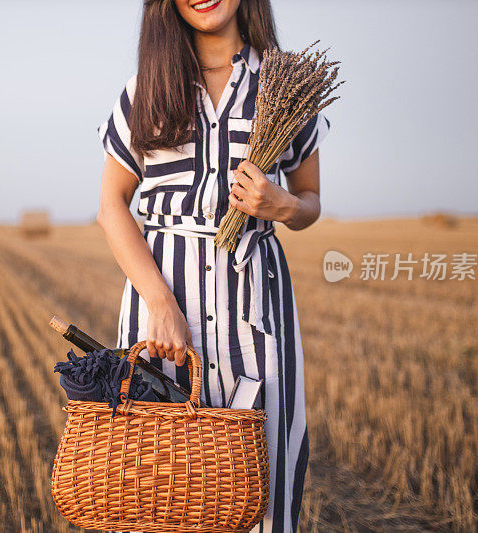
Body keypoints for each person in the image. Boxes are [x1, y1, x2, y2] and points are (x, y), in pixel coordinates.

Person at [95, 0, 330, 531]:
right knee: (156, 488)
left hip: (257, 312)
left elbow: (310, 198)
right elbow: (113, 205)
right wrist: (158, 301)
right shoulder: (144, 91)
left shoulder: (286, 85)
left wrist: (283, 206)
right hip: (161, 320)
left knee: (263, 488)